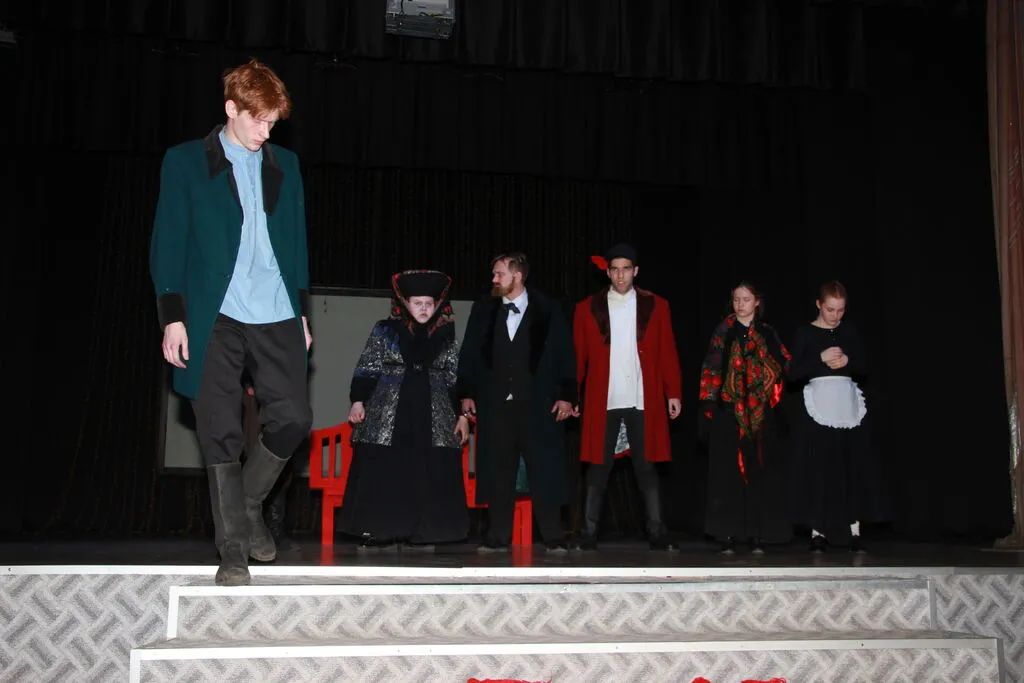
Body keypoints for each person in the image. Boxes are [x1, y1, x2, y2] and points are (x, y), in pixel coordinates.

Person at [150, 58, 313, 586]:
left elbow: (297, 242)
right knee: (218, 430)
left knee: (294, 418)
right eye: (258, 120)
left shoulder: (285, 163)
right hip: (212, 312)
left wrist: (302, 312)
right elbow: (168, 241)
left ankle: (246, 506)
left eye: (273, 123)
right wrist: (173, 317)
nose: (266, 132)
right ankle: (234, 550)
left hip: (275, 308)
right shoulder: (184, 162)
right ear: (231, 108)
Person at [338, 270, 470, 552]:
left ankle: (426, 534)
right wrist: (358, 400)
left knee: (429, 469)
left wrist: (462, 416)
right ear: (405, 304)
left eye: (429, 303)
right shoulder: (385, 329)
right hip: (389, 409)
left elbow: (455, 377)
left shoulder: (446, 334)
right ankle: (380, 532)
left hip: (433, 411)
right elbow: (368, 366)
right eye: (417, 303)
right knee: (386, 469)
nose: (424, 309)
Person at [457, 252, 577, 553]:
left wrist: (567, 396)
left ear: (518, 276)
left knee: (544, 471)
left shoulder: (548, 309)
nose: (494, 279)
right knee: (499, 472)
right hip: (496, 404)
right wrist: (466, 392)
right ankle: (497, 537)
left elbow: (565, 353)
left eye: (499, 274)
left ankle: (553, 536)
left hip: (539, 405)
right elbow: (469, 352)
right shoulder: (484, 308)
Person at [571, 244, 682, 551]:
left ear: (636, 271)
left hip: (642, 397)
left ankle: (657, 533)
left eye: (626, 269)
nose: (620, 276)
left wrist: (673, 392)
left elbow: (667, 351)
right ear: (607, 272)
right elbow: (578, 357)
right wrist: (573, 394)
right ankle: (588, 533)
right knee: (598, 467)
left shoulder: (656, 305)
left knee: (646, 467)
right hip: (602, 398)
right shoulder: (587, 308)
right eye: (615, 269)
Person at [698, 281, 792, 554]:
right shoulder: (723, 330)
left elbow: (784, 363)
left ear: (757, 302)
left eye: (746, 300)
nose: (740, 305)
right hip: (729, 411)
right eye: (736, 300)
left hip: (760, 414)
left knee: (759, 472)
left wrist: (764, 376)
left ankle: (758, 534)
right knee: (728, 474)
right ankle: (728, 533)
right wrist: (709, 405)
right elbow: (711, 368)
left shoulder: (767, 332)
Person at [787, 280, 879, 553]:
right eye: (830, 310)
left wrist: (849, 361)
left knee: (850, 467)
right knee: (820, 469)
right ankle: (818, 531)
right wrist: (821, 358)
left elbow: (865, 367)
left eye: (840, 310)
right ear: (819, 305)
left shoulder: (849, 331)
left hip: (847, 406)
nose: (835, 316)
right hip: (819, 407)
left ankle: (854, 530)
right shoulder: (805, 333)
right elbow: (792, 374)